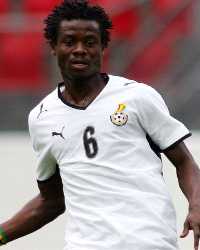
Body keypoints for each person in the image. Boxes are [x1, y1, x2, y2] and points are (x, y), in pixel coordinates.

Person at [1, 0, 200, 249]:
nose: (80, 49)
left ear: (103, 46)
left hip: (148, 243)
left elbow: (184, 162)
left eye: (90, 42)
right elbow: (51, 201)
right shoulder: (41, 117)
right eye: (70, 41)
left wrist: (196, 204)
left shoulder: (137, 96)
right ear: (53, 46)